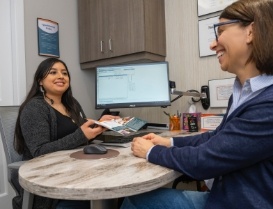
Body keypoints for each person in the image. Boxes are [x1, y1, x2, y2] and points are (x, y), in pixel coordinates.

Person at [120, 0, 273, 209]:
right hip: (223, 196)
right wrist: (169, 143)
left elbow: (204, 161)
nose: (213, 44)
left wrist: (150, 152)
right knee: (133, 199)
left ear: (251, 31)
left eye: (220, 30)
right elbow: (216, 138)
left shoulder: (268, 105)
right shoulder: (243, 91)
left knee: (138, 198)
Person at [13, 58, 118, 209]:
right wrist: (82, 135)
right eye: (53, 72)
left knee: (114, 191)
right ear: (40, 81)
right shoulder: (35, 108)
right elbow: (39, 151)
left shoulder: (71, 104)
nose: (61, 76)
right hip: (50, 181)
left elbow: (81, 135)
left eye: (65, 73)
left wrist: (100, 125)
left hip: (76, 172)